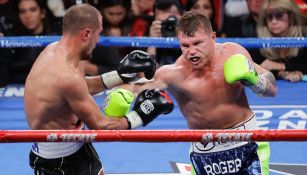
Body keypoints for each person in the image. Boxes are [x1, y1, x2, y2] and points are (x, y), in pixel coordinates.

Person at [24, 4, 174, 175]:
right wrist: (141, 114)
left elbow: (81, 87)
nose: (98, 40)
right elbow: (102, 127)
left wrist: (121, 75)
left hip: (77, 145)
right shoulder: (65, 76)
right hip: (57, 162)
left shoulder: (56, 50)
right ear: (86, 33)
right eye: (98, 33)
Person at [127, 11, 277, 174]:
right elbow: (135, 88)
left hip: (247, 142)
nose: (191, 51)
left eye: (197, 43)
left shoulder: (233, 53)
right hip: (206, 151)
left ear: (213, 37)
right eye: (185, 45)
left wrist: (256, 82)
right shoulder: (174, 74)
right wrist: (118, 92)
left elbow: (272, 89)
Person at [251, 0, 307, 82]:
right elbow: (254, 69)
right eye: (269, 17)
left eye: (279, 15)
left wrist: (282, 66)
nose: (273, 21)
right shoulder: (259, 41)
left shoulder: (304, 37)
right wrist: (283, 73)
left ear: (291, 17)